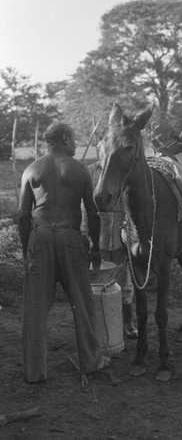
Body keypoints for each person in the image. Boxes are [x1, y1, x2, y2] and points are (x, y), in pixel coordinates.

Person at [18, 122, 110, 384]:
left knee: (35, 308)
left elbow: (24, 216)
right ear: (66, 138)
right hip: (70, 237)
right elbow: (93, 214)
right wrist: (94, 247)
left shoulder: (31, 170)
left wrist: (28, 251)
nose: (77, 143)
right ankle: (91, 362)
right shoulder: (79, 170)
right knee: (82, 302)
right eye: (75, 139)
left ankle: (34, 371)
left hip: (41, 236)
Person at [81, 161, 138, 339]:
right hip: (99, 232)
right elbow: (85, 204)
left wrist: (131, 235)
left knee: (124, 279)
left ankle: (127, 322)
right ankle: (99, 322)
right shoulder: (92, 171)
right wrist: (85, 232)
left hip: (121, 231)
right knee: (98, 279)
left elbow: (133, 204)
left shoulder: (125, 170)